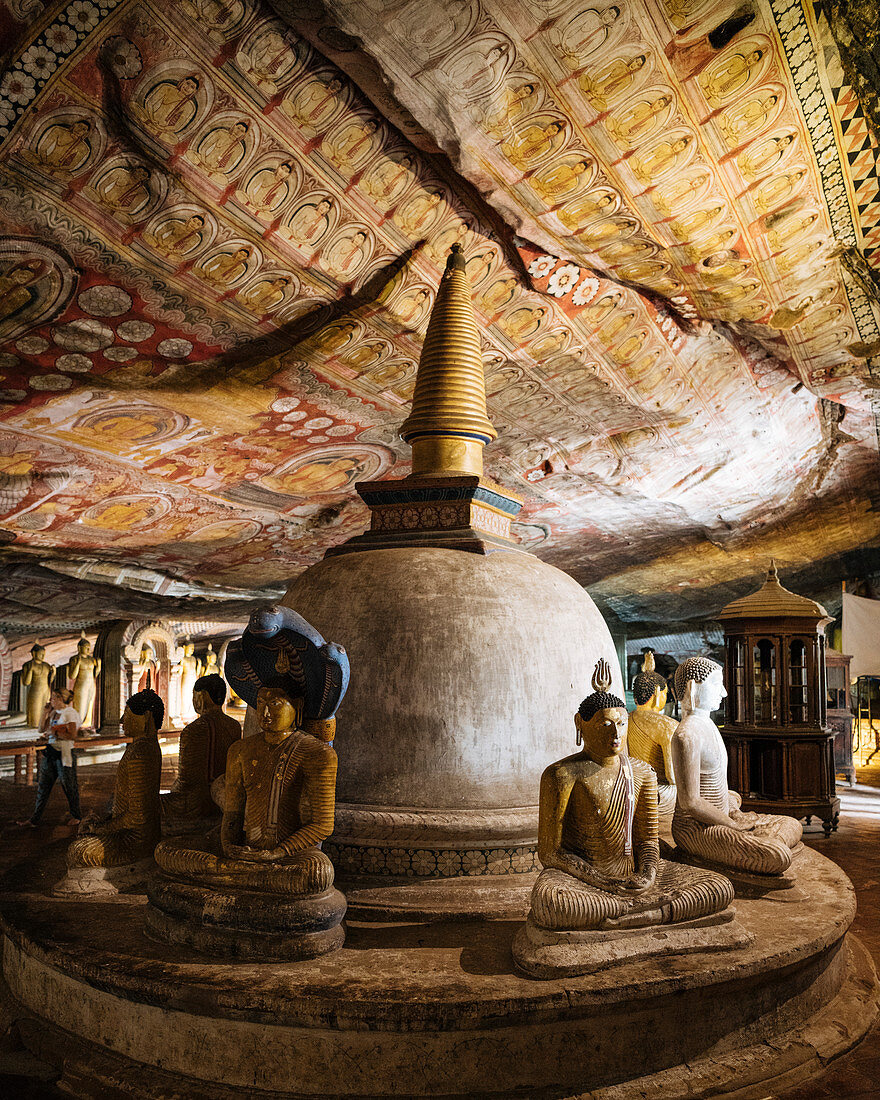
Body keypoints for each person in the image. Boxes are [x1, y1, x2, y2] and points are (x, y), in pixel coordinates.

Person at [19, 687, 81, 827]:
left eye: (53, 697)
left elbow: (72, 735)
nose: (51, 700)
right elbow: (41, 729)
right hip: (51, 752)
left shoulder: (70, 713)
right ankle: (34, 820)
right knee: (43, 786)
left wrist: (55, 734)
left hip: (64, 754)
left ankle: (77, 816)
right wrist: (44, 713)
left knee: (69, 785)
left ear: (60, 698)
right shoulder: (53, 712)